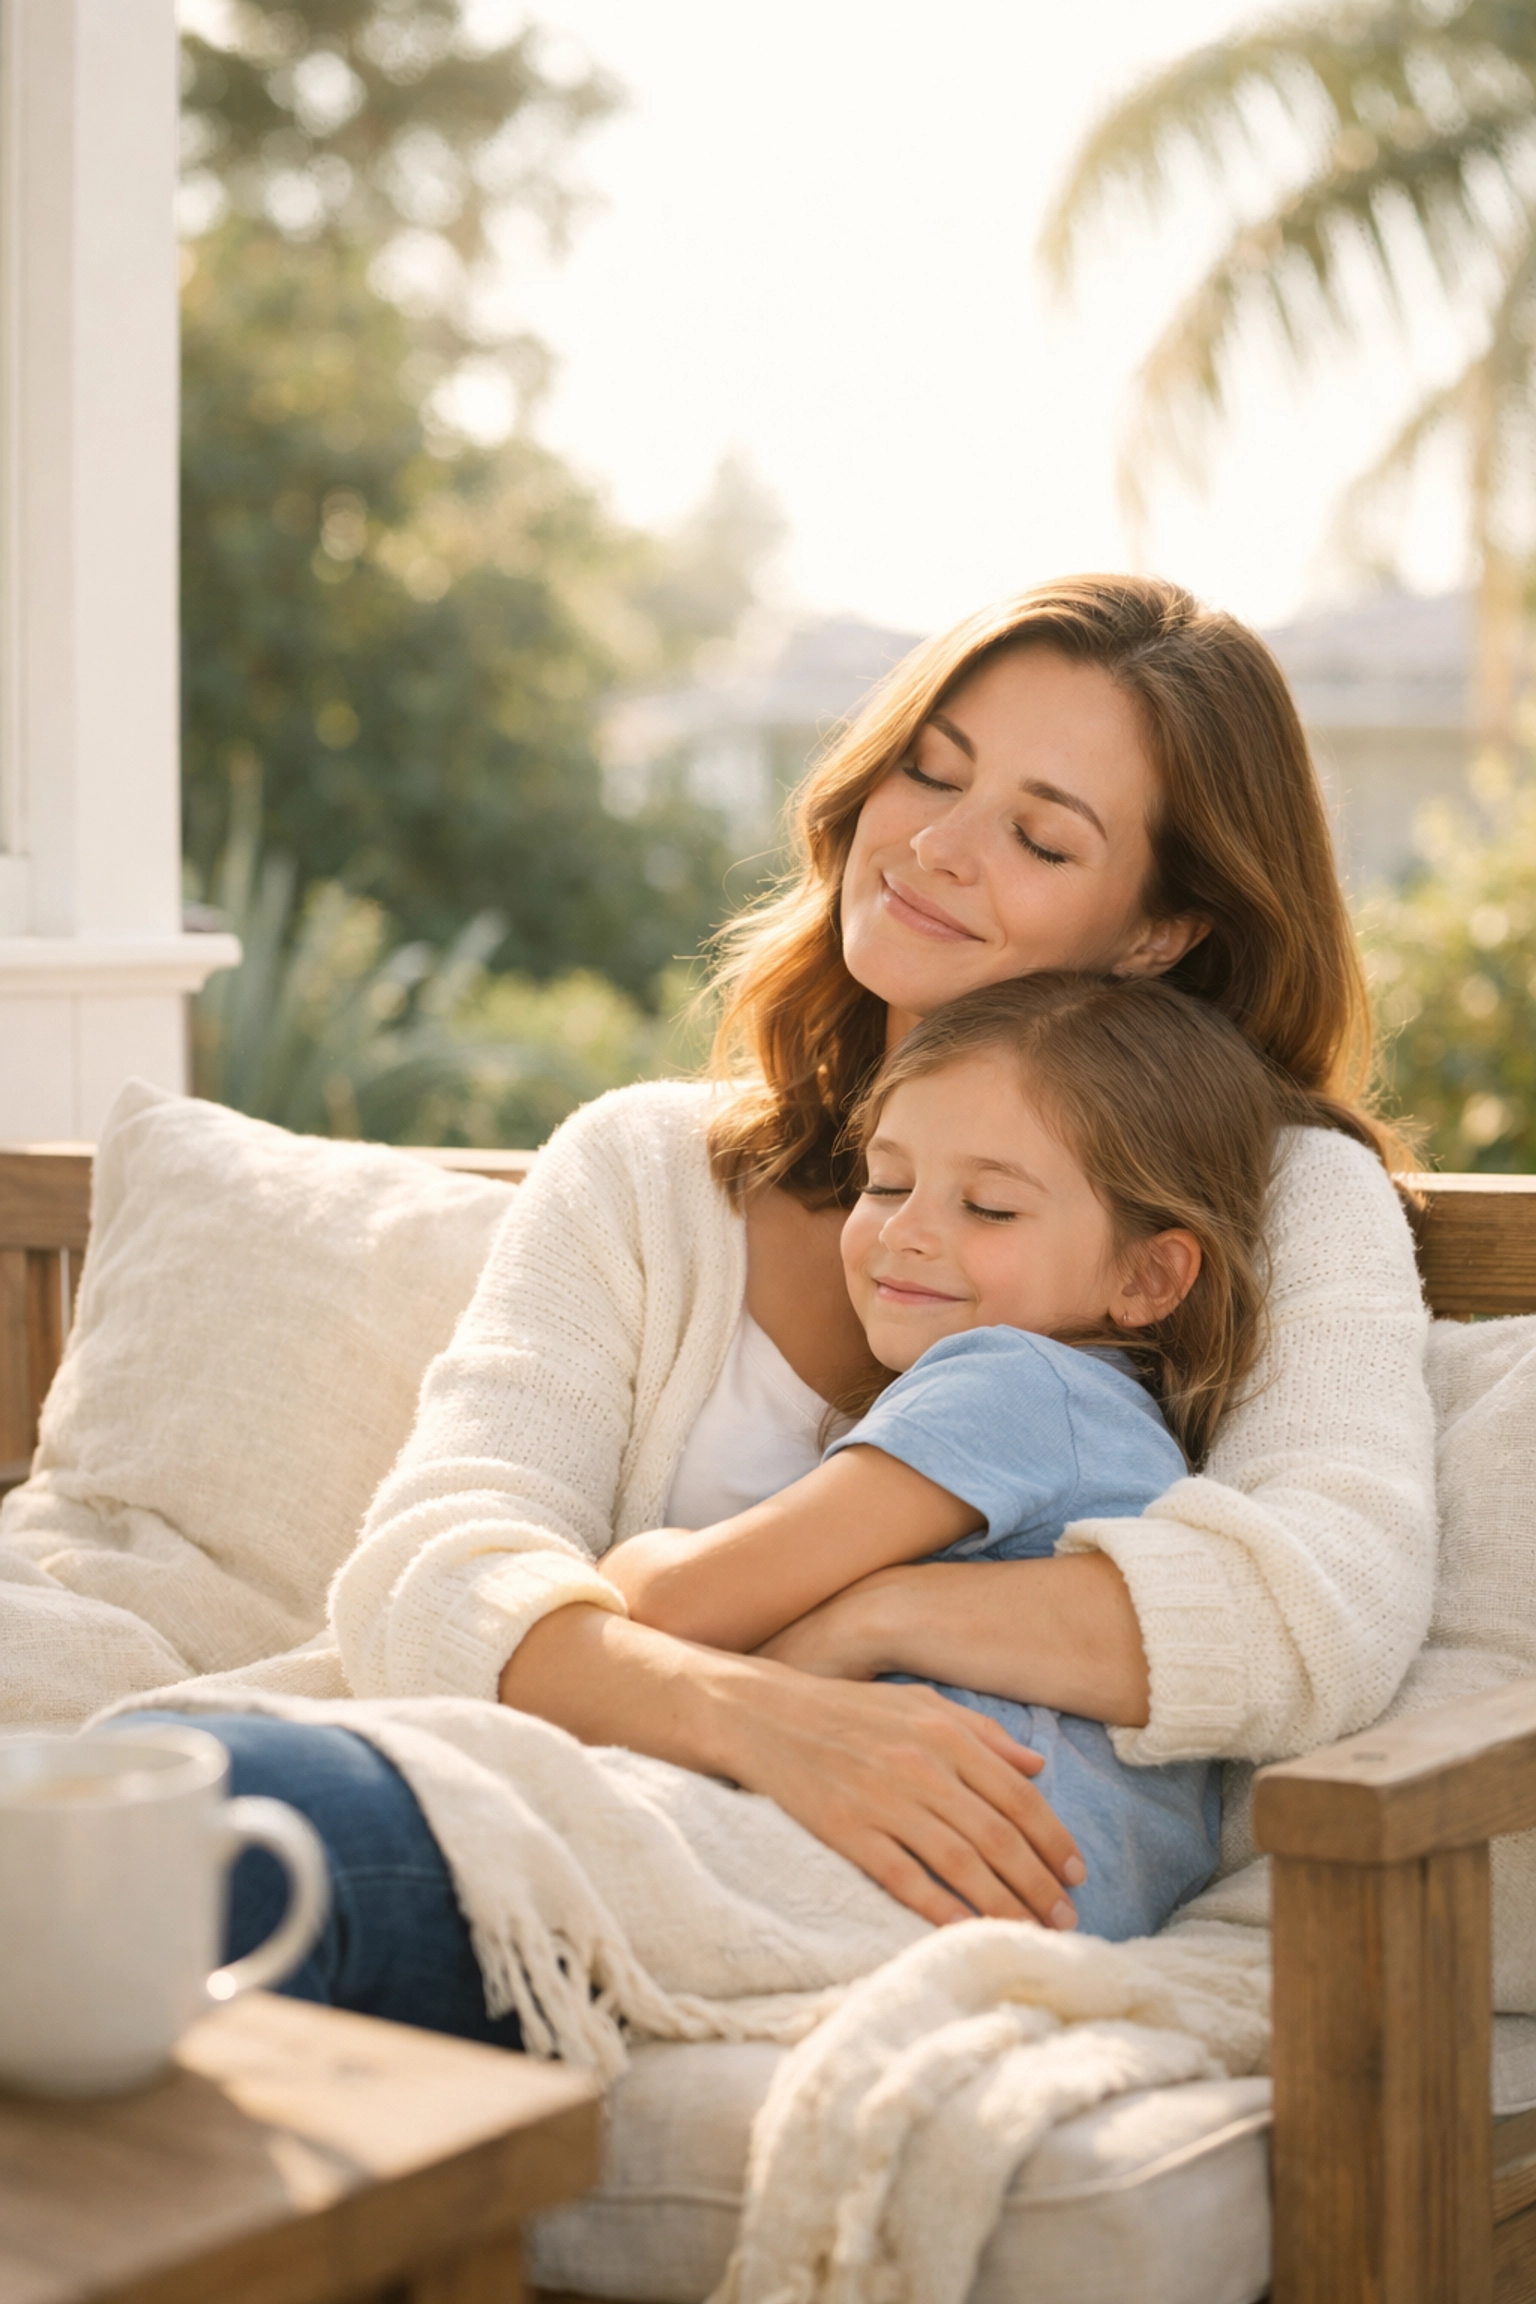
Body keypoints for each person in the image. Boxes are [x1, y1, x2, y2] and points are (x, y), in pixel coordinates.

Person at [143, 575, 1436, 2037]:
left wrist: (881, 1610)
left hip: (822, 1889)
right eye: (929, 770)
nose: (935, 847)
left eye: (1039, 834)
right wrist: (765, 1717)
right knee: (126, 1815)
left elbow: (1322, 1608)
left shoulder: (1275, 1192)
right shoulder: (641, 1170)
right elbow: (433, 1569)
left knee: (182, 1836)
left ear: (1160, 930)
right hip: (627, 1802)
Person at [607, 968, 1341, 1939]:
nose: (907, 1233)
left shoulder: (1011, 1385)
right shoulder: (1112, 1420)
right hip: (1047, 1901)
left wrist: (624, 1561)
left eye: (988, 1207)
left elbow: (673, 1604)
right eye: (888, 1181)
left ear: (1149, 1272)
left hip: (901, 1883)